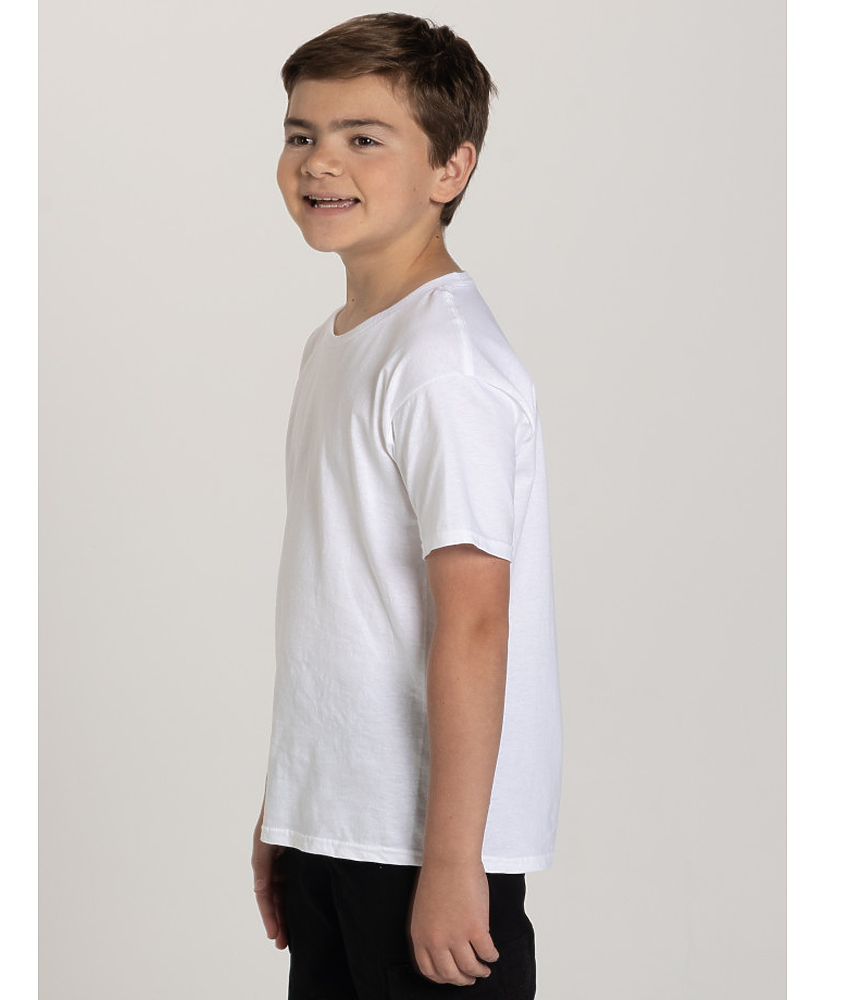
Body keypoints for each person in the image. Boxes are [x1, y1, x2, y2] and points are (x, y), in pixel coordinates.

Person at [251, 13, 562, 998]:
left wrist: (455, 860)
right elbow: (343, 609)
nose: (320, 162)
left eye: (364, 137)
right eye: (301, 134)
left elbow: (474, 620)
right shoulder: (340, 343)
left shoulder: (443, 362)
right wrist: (290, 806)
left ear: (450, 167)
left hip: (424, 849)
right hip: (339, 826)